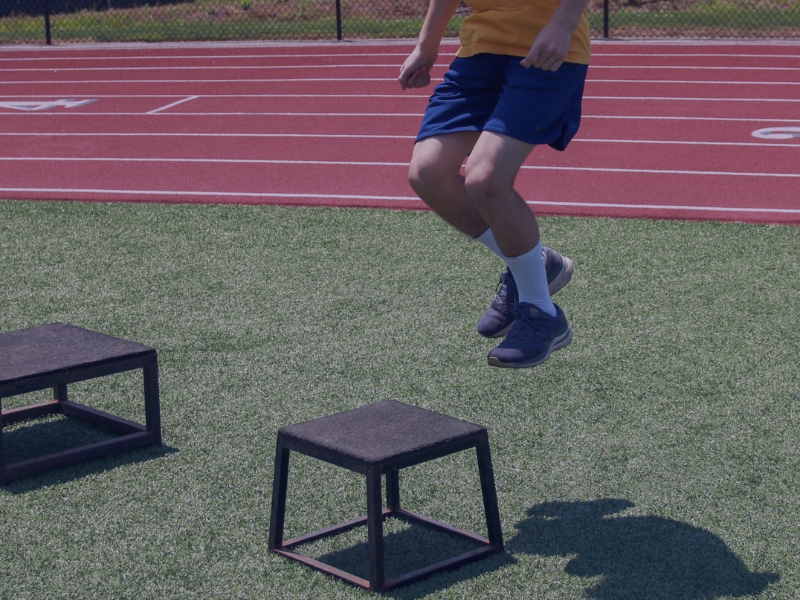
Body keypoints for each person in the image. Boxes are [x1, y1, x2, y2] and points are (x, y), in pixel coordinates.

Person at [399, 0, 591, 369]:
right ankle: (535, 263)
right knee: (428, 173)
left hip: (547, 49)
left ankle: (541, 312)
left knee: (485, 177)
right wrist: (427, 46)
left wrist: (564, 24)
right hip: (480, 52)